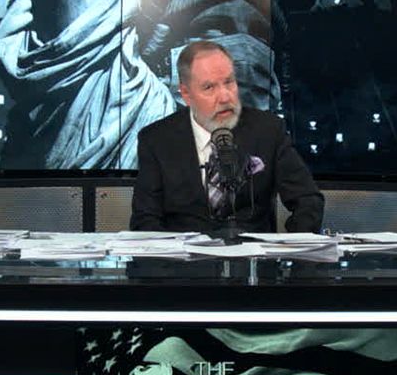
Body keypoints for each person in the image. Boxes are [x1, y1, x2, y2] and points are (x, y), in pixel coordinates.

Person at [130, 41, 324, 233]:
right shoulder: (156, 139)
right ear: (186, 94)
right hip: (184, 252)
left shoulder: (268, 130)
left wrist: (291, 248)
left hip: (252, 251)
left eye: (229, 82)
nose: (225, 97)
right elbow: (145, 219)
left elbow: (308, 200)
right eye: (209, 87)